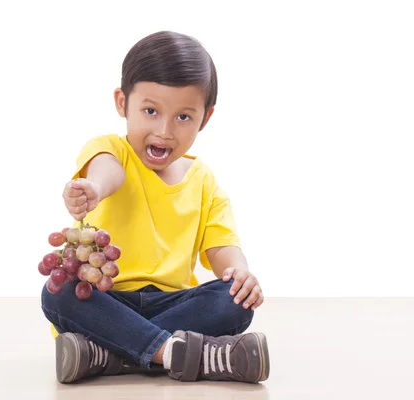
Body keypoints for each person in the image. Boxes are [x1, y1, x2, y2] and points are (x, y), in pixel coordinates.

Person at [41, 30, 270, 384]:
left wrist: (241, 274)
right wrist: (94, 189)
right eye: (150, 111)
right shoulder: (109, 151)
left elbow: (223, 248)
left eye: (183, 117)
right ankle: (182, 353)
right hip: (107, 299)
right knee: (61, 293)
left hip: (174, 304)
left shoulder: (204, 181)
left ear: (205, 119)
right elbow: (108, 172)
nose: (164, 131)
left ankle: (107, 355)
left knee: (232, 300)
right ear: (122, 103)